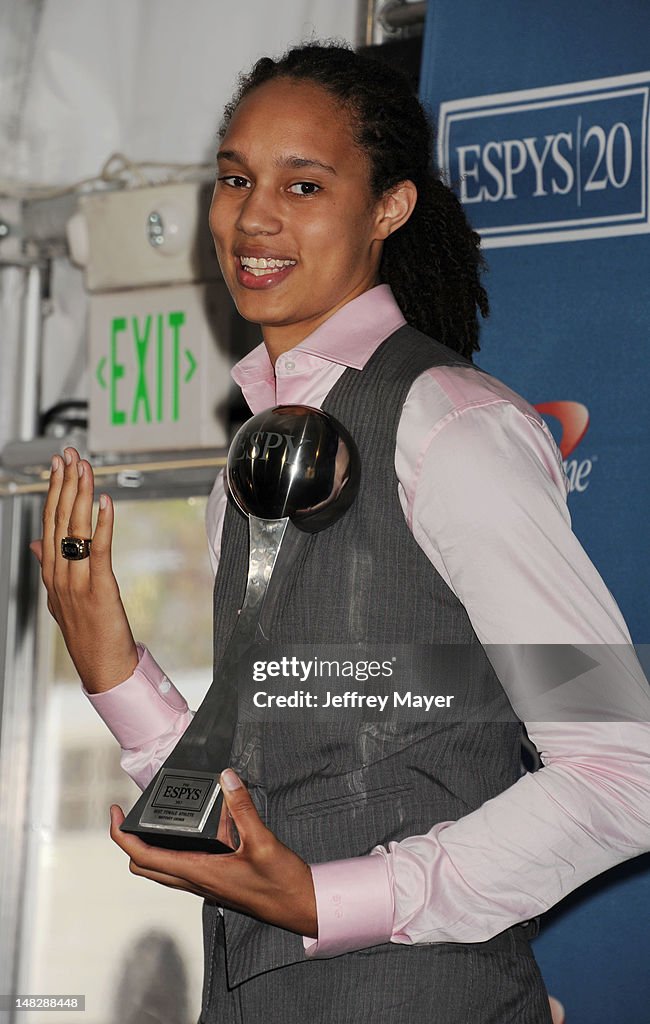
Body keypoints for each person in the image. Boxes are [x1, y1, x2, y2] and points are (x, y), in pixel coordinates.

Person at [31, 42, 650, 1024]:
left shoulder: (450, 427)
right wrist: (111, 664)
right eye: (235, 178)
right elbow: (256, 802)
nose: (253, 215)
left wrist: (337, 898)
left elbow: (625, 766)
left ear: (388, 207)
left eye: (302, 183)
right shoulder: (250, 465)